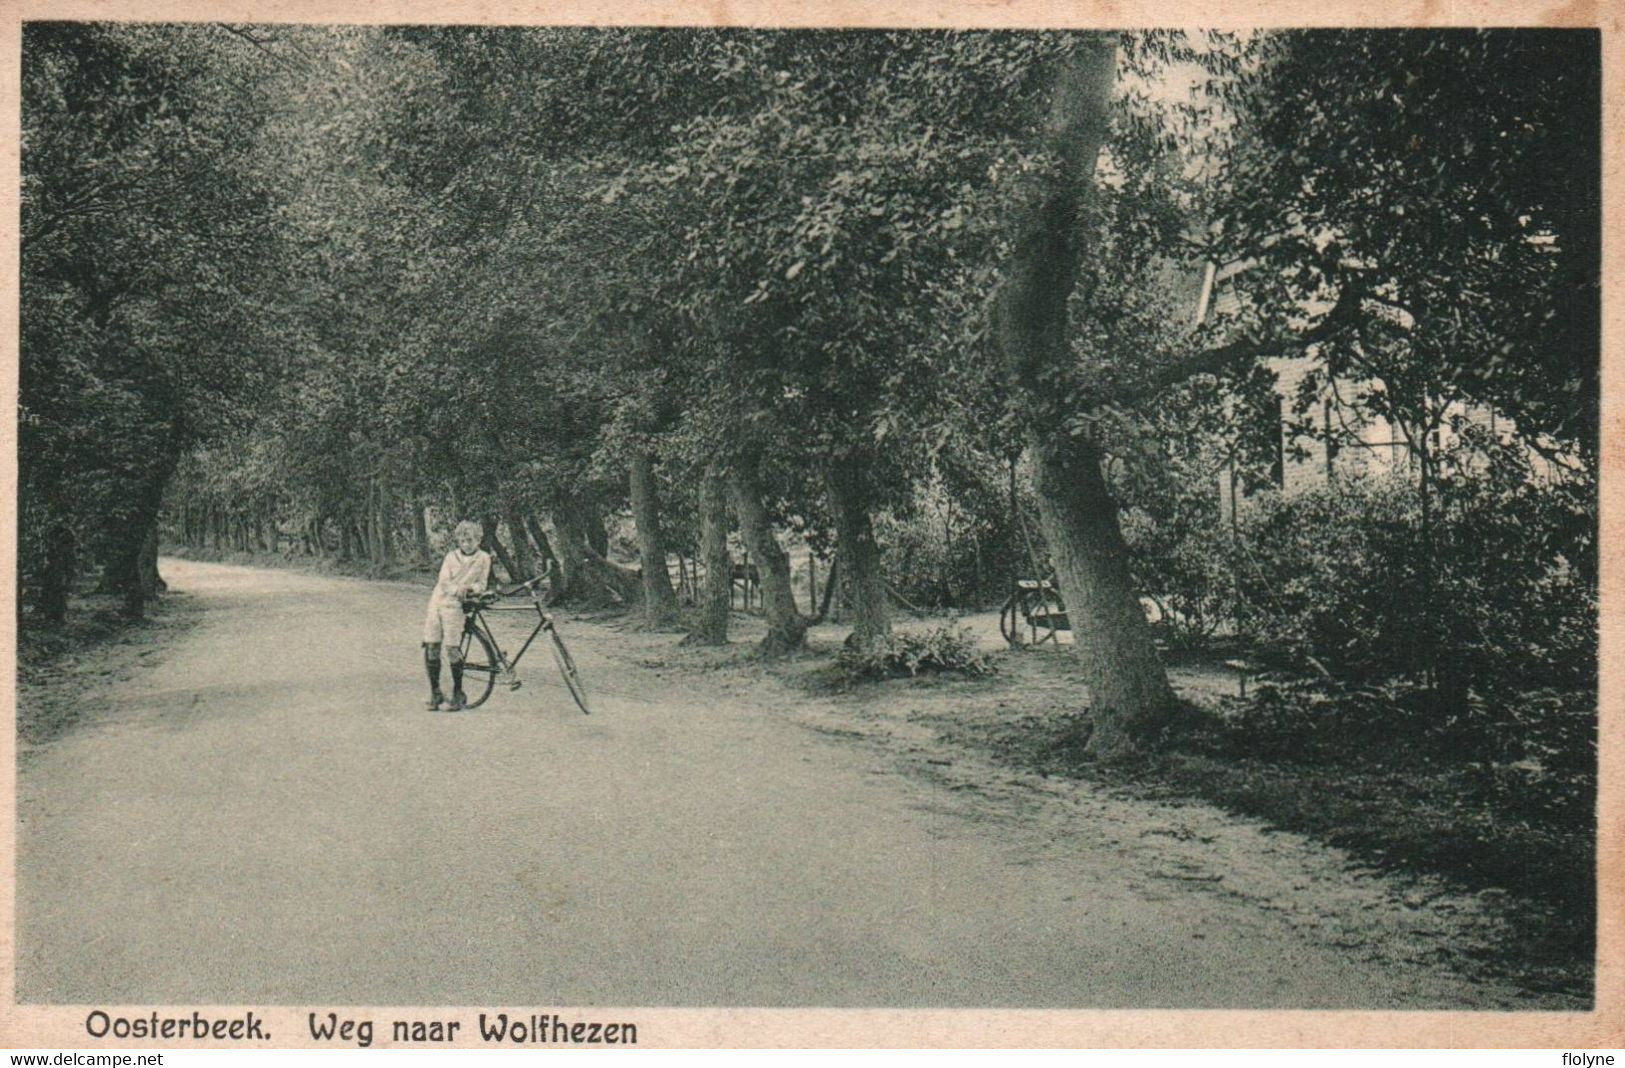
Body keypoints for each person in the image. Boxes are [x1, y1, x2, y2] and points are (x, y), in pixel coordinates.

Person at [423, 519, 493, 711]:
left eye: (470, 539)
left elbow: (482, 584)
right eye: (462, 540)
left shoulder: (484, 558)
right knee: (432, 644)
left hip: (455, 605)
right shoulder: (450, 557)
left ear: (478, 540)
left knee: (453, 647)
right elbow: (443, 582)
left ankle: (458, 693)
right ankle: (435, 692)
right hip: (438, 600)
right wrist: (456, 589)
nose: (466, 544)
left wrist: (469, 588)